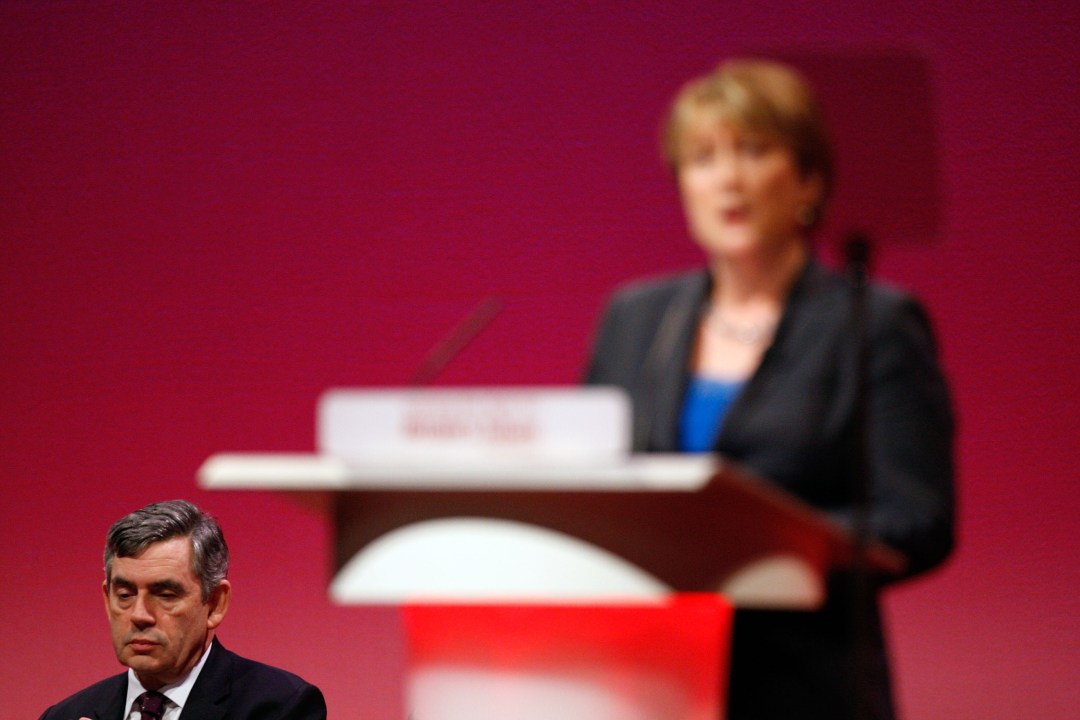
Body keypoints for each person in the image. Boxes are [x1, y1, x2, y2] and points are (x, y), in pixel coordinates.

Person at [584, 59, 955, 720]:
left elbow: (917, 519)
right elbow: (590, 483)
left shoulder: (872, 323)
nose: (728, 179)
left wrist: (764, 541)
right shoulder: (635, 319)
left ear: (808, 179)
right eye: (703, 158)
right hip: (645, 679)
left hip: (804, 685)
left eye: (754, 151)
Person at [39, 499, 327, 720]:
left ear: (215, 603)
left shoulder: (281, 707)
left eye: (165, 595)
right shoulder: (64, 715)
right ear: (106, 599)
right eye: (125, 595)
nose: (139, 615)